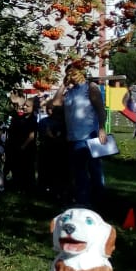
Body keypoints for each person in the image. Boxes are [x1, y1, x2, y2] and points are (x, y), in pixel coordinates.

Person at [51, 62, 108, 208]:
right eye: (68, 73)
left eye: (73, 72)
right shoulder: (70, 92)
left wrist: (101, 128)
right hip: (73, 136)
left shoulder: (90, 87)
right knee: (79, 171)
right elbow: (55, 104)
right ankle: (84, 200)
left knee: (94, 169)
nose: (71, 76)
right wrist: (63, 85)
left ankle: (96, 200)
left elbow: (100, 109)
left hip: (89, 134)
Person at [4, 97, 38, 192]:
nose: (25, 107)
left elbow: (32, 136)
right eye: (24, 105)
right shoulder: (19, 117)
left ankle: (29, 187)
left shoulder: (33, 120)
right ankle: (17, 185)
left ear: (33, 107)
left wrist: (23, 146)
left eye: (28, 106)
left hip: (27, 148)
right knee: (17, 167)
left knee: (28, 168)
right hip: (16, 146)